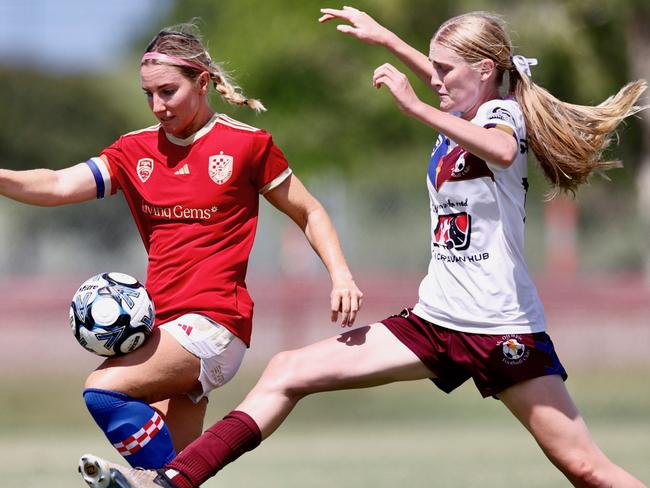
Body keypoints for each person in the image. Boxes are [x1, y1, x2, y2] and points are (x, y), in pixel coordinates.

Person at [77, 7, 648, 488]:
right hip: (437, 320)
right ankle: (175, 481)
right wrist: (385, 38)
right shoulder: (468, 101)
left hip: (500, 327)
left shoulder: (502, 114)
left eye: (446, 72)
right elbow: (450, 85)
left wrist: (414, 107)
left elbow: (498, 149)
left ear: (484, 70)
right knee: (288, 371)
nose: (437, 82)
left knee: (583, 468)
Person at [0, 21, 363, 474]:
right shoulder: (133, 152)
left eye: (168, 91)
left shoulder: (247, 145)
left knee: (104, 390)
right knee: (172, 473)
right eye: (148, 95)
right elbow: (55, 184)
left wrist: (341, 274)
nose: (157, 106)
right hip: (162, 327)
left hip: (215, 324)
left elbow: (309, 211)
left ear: (203, 82)